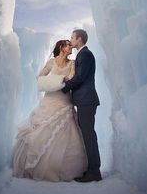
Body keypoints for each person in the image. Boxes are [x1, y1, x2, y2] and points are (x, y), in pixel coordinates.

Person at [12, 40, 87, 181]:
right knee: (39, 131)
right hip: (49, 100)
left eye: (71, 45)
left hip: (64, 100)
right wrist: (56, 80)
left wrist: (60, 80)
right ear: (61, 47)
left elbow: (71, 78)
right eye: (68, 45)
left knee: (68, 131)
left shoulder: (72, 63)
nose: (71, 47)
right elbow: (40, 77)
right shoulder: (52, 62)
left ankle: (62, 168)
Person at [61, 29, 102, 182]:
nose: (70, 40)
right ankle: (92, 169)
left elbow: (80, 77)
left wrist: (65, 86)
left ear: (79, 39)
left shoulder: (85, 54)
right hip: (85, 100)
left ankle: (94, 172)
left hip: (86, 100)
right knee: (88, 134)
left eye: (72, 37)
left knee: (89, 135)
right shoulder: (83, 54)